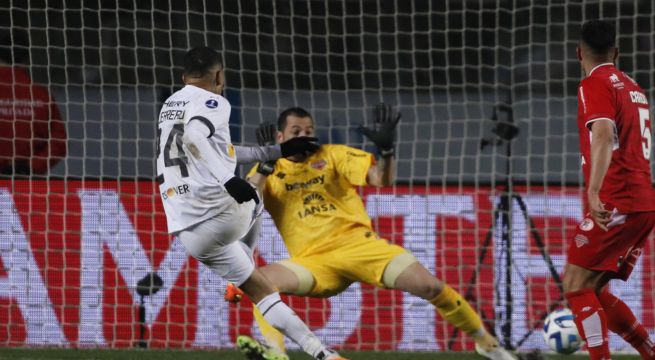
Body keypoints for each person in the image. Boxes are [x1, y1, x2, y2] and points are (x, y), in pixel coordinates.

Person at [228, 105, 516, 360]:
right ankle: (275, 354)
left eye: (309, 129)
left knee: (430, 287)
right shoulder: (268, 169)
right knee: (260, 283)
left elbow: (382, 179)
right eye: (296, 130)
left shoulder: (333, 155)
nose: (305, 134)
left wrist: (387, 152)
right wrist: (267, 162)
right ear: (280, 137)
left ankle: (488, 346)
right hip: (313, 262)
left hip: (361, 248)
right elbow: (247, 203)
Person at [156, 46, 348, 360]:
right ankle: (245, 257)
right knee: (255, 193)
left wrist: (275, 151)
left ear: (183, 76)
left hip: (187, 233)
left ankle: (324, 354)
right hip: (219, 214)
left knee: (263, 293)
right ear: (219, 75)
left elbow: (218, 150)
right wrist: (228, 180)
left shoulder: (170, 105)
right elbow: (194, 137)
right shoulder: (214, 101)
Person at [562, 20, 655, 360]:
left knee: (575, 283)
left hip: (620, 199)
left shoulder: (593, 84)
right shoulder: (634, 87)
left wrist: (593, 190)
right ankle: (649, 351)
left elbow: (602, 133)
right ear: (616, 52)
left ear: (578, 54)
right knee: (593, 287)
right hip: (643, 200)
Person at [0, 34, 67, 175]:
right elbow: (59, 142)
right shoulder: (41, 94)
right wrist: (31, 166)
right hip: (28, 184)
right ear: (26, 57)